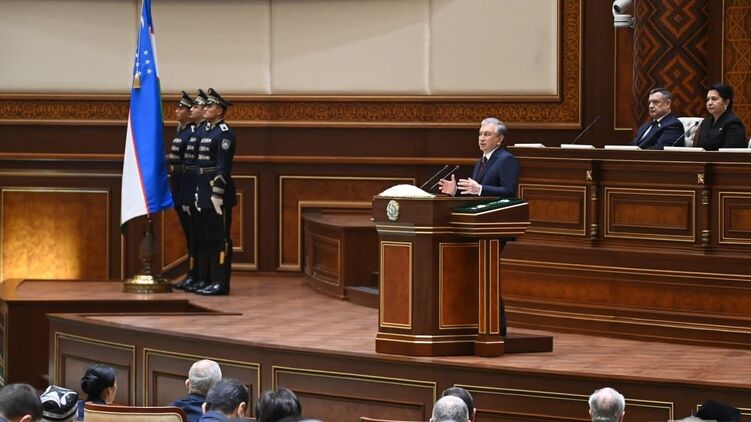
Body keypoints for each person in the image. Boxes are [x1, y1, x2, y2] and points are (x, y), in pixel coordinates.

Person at [194, 88, 236, 296]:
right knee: (207, 237)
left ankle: (221, 282)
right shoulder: (207, 131)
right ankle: (209, 279)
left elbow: (222, 167)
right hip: (203, 190)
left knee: (220, 238)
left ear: (219, 111)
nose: (205, 108)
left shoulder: (224, 133)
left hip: (218, 193)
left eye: (210, 106)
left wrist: (217, 194)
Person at [438, 117, 518, 197]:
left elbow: (509, 191)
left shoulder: (506, 159)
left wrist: (480, 189)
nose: (482, 138)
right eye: (480, 134)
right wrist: (455, 190)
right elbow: (475, 193)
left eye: (487, 134)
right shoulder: (480, 161)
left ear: (499, 139)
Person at [182, 89, 212, 293]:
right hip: (191, 186)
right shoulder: (194, 132)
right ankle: (196, 275)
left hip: (203, 188)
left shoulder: (206, 133)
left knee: (206, 236)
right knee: (194, 236)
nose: (192, 109)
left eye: (196, 106)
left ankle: (206, 277)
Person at [171, 91, 198, 290]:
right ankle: (192, 274)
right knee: (189, 234)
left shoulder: (191, 133)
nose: (176, 111)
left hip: (187, 184)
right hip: (178, 184)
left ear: (189, 113)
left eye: (181, 108)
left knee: (194, 233)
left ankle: (195, 274)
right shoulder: (181, 131)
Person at [696, 83, 748, 150]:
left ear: (726, 102)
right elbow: (697, 148)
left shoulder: (733, 123)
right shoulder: (705, 123)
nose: (709, 103)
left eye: (714, 99)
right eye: (708, 99)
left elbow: (729, 152)